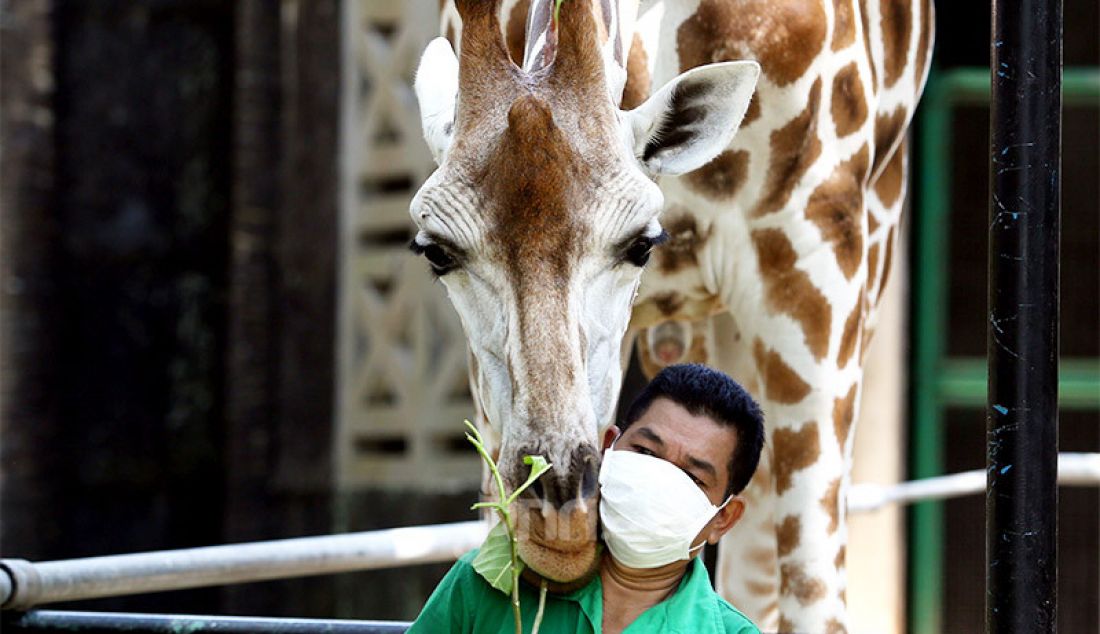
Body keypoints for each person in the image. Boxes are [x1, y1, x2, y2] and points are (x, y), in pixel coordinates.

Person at [407, 364, 766, 634]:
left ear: (724, 518)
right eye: (645, 451)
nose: (657, 478)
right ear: (608, 448)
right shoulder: (490, 583)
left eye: (692, 477)